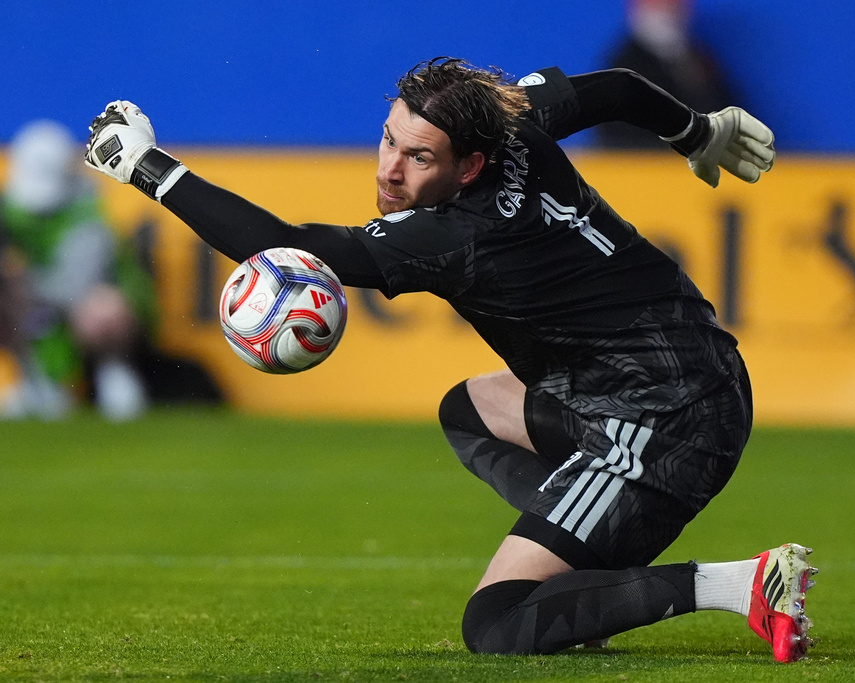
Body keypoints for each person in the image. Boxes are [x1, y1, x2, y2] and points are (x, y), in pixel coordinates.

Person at [83, 57, 816, 662]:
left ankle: (737, 585)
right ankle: (582, 576)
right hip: (688, 373)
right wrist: (696, 132)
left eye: (419, 156)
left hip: (662, 418)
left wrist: (149, 168)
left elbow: (280, 244)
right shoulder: (513, 120)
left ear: (470, 164)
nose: (392, 171)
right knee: (469, 411)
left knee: (496, 623)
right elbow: (621, 88)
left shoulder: (452, 238)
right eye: (388, 141)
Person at [1, 119, 150, 420]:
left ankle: (113, 376)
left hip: (90, 306)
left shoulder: (87, 216)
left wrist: (20, 286)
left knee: (101, 308)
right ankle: (37, 383)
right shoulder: (12, 207)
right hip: (40, 301)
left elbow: (73, 288)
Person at [596, 0, 736, 149]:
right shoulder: (624, 67)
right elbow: (624, 138)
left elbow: (725, 111)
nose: (670, 5)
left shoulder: (699, 57)